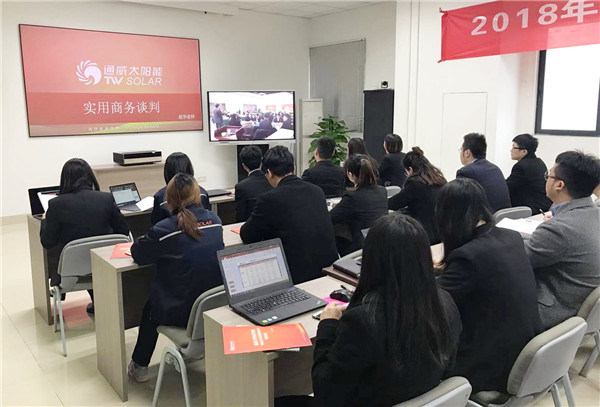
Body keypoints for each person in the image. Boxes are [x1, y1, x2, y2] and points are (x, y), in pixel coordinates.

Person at [276, 213, 462, 407]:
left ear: (370, 260)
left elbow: (325, 393)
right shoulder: (445, 304)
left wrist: (327, 325)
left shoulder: (363, 321)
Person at [436, 178, 541, 394]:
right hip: (524, 348)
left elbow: (431, 302)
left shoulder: (468, 256)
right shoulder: (511, 237)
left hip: (491, 365)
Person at [128, 173, 224, 382]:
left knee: (151, 308)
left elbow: (138, 253)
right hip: (213, 307)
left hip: (181, 312)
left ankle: (140, 365)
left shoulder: (163, 230)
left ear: (168, 200)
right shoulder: (215, 221)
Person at [40, 158, 129, 313]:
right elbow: (123, 231)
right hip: (106, 265)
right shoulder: (106, 199)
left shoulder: (56, 204)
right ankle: (99, 302)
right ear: (89, 177)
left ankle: (92, 301)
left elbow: (48, 241)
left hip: (71, 273)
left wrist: (44, 221)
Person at [524, 151, 600, 329]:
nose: (545, 180)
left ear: (559, 185)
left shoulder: (559, 229)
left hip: (554, 312)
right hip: (579, 306)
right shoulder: (594, 213)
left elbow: (517, 260)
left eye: (548, 175)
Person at [241, 146, 338, 284]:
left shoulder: (269, 199)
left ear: (269, 172)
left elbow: (247, 235)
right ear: (293, 168)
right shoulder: (317, 191)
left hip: (296, 274)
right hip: (328, 268)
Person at [330, 154, 388, 255]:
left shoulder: (352, 197)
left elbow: (330, 218)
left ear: (350, 175)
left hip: (360, 248)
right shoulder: (382, 191)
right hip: (382, 242)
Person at [388, 147, 446, 244]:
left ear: (410, 169)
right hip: (442, 233)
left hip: (424, 234)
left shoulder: (415, 183)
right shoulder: (440, 180)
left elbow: (394, 204)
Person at [456, 132, 511, 212]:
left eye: (461, 150)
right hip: (504, 217)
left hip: (487, 218)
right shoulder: (495, 168)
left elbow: (460, 203)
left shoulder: (465, 172)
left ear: (467, 153)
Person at [151, 152, 209, 225]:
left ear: (167, 172)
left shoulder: (160, 197)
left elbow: (156, 223)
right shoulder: (202, 193)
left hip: (170, 231)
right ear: (189, 169)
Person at [506, 133, 552, 213]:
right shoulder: (539, 162)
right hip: (544, 206)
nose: (511, 150)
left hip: (531, 209)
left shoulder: (521, 166)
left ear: (524, 151)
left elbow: (508, 187)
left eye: (514, 147)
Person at [234, 146, 273, 222]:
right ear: (261, 163)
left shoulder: (241, 187)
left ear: (244, 166)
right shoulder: (272, 181)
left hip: (251, 225)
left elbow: (240, 216)